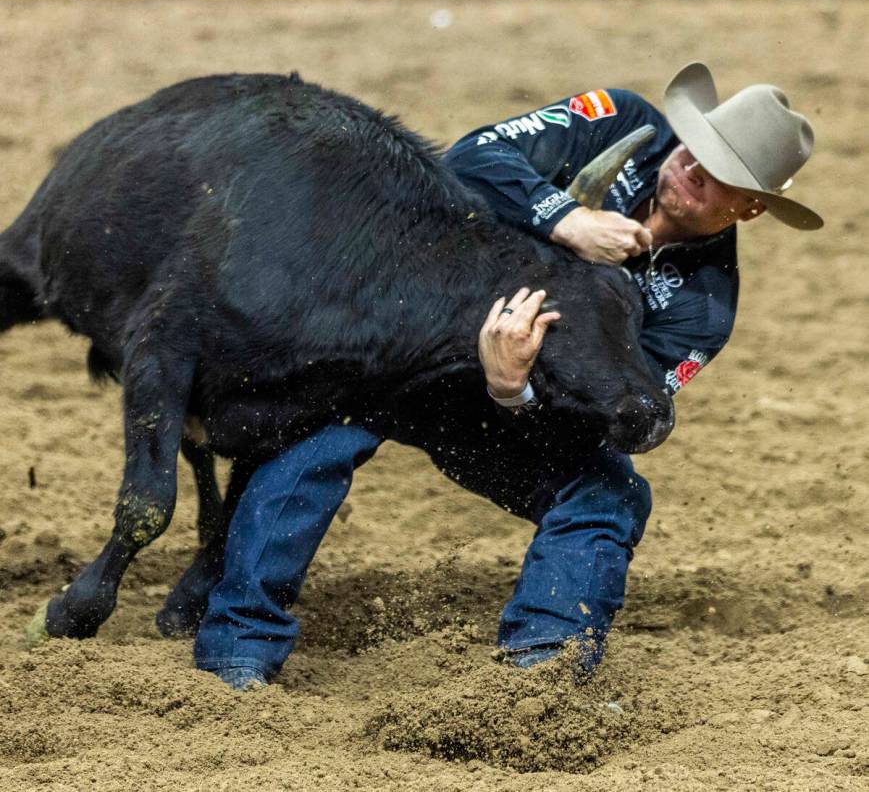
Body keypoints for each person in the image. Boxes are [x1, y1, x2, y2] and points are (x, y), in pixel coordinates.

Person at [193, 62, 822, 690]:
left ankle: (539, 674)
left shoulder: (700, 311)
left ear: (751, 209)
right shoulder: (618, 117)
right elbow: (473, 157)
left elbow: (624, 415)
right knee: (319, 430)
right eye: (696, 147)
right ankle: (237, 650)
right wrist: (564, 218)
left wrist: (510, 388)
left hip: (503, 415)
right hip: (407, 343)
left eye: (720, 177)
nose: (692, 169)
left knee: (611, 495)